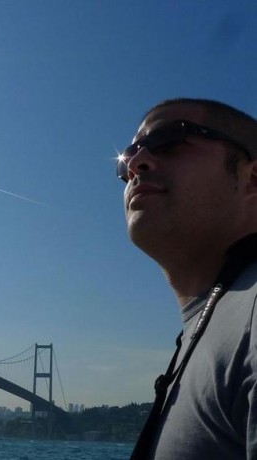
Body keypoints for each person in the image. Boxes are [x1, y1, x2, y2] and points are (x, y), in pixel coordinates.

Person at [116, 98, 257, 459]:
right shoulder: (217, 323)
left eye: (168, 139)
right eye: (127, 156)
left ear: (252, 178)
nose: (135, 163)